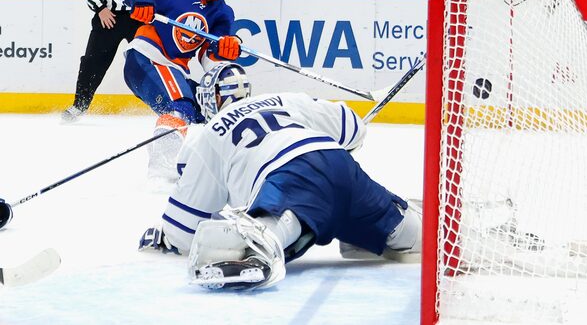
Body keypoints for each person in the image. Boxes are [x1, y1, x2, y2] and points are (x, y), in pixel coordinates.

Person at [138, 62, 422, 290]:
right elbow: (353, 128)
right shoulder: (284, 99)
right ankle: (393, 227)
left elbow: (183, 230)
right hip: (339, 164)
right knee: (412, 237)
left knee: (273, 225)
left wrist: (162, 238)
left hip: (287, 177)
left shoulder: (208, 136)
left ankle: (261, 241)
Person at [107, 0, 242, 185]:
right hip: (147, 58)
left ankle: (201, 163)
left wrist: (224, 50)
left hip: (176, 70)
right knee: (178, 106)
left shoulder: (222, 12)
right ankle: (162, 169)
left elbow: (209, 60)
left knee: (207, 111)